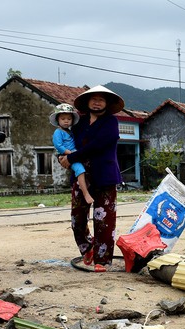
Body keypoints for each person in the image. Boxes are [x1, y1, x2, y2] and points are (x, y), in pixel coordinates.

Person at [59, 85, 125, 272]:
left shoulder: (111, 122)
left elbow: (98, 145)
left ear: (107, 103)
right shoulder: (79, 123)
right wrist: (62, 156)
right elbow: (68, 143)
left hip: (105, 176)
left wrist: (71, 157)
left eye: (101, 99)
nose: (97, 102)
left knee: (103, 219)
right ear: (87, 102)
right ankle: (87, 249)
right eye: (93, 99)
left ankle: (102, 261)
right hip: (81, 176)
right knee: (77, 218)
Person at [50, 104, 94, 205]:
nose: (66, 121)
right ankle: (86, 194)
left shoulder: (70, 131)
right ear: (58, 120)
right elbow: (59, 146)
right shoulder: (58, 132)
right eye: (63, 119)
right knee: (80, 170)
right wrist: (70, 154)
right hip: (69, 155)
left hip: (74, 153)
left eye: (69, 119)